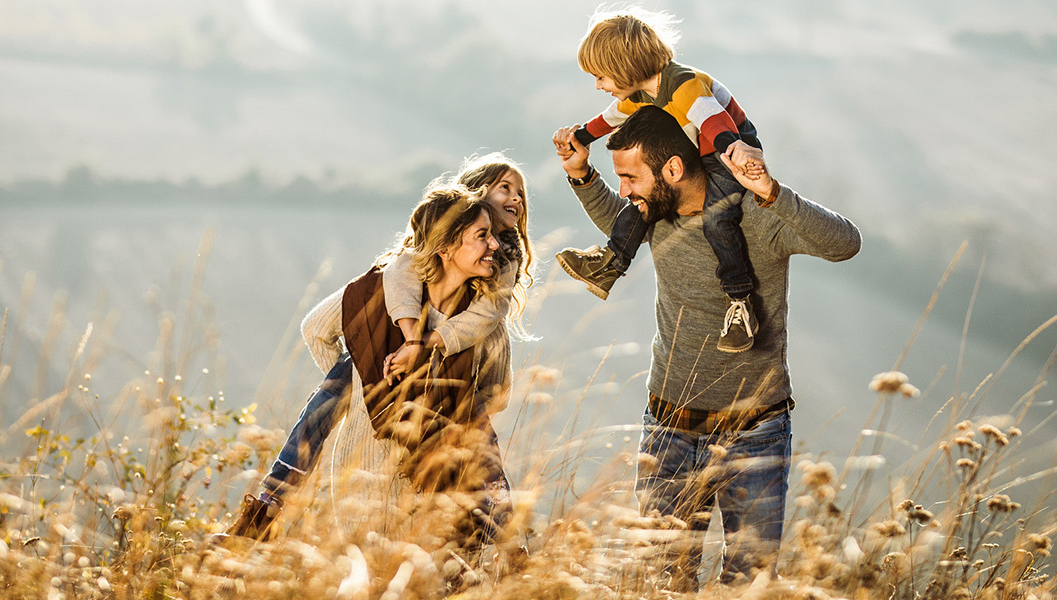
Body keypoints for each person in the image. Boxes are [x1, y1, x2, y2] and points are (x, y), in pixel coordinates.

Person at [553, 105, 859, 589]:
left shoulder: (758, 220)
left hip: (754, 432)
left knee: (749, 585)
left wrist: (771, 192)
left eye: (631, 178)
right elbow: (616, 218)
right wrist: (581, 174)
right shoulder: (656, 217)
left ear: (673, 169)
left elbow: (845, 243)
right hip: (669, 426)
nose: (626, 191)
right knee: (659, 581)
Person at [217, 157, 534, 549]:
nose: (516, 199)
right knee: (326, 408)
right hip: (381, 427)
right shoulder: (394, 278)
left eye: (520, 192)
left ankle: (511, 549)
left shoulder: (496, 277)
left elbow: (491, 327)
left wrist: (425, 351)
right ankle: (270, 502)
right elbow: (389, 277)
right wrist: (369, 382)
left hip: (426, 448)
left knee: (481, 458)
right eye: (505, 188)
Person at [552, 8, 768, 353]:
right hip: (693, 150)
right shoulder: (639, 94)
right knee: (645, 198)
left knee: (718, 218)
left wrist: (738, 152)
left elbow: (714, 123)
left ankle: (740, 302)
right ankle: (611, 263)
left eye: (601, 76)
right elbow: (607, 120)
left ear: (625, 67)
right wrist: (579, 137)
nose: (598, 85)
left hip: (728, 151)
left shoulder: (684, 86)